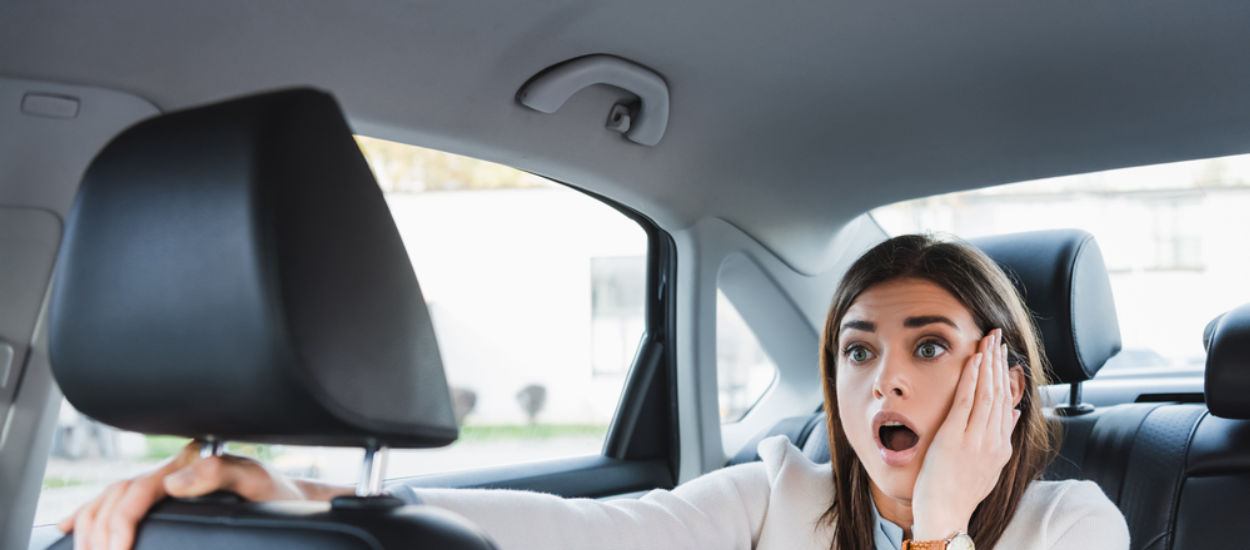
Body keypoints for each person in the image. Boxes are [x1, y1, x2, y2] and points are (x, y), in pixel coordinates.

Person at [59, 234, 1130, 550]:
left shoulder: (1074, 524)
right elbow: (568, 530)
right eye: (855, 349)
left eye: (927, 345)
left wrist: (939, 528)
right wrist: (292, 490)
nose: (882, 375)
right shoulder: (779, 492)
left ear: (1001, 376)